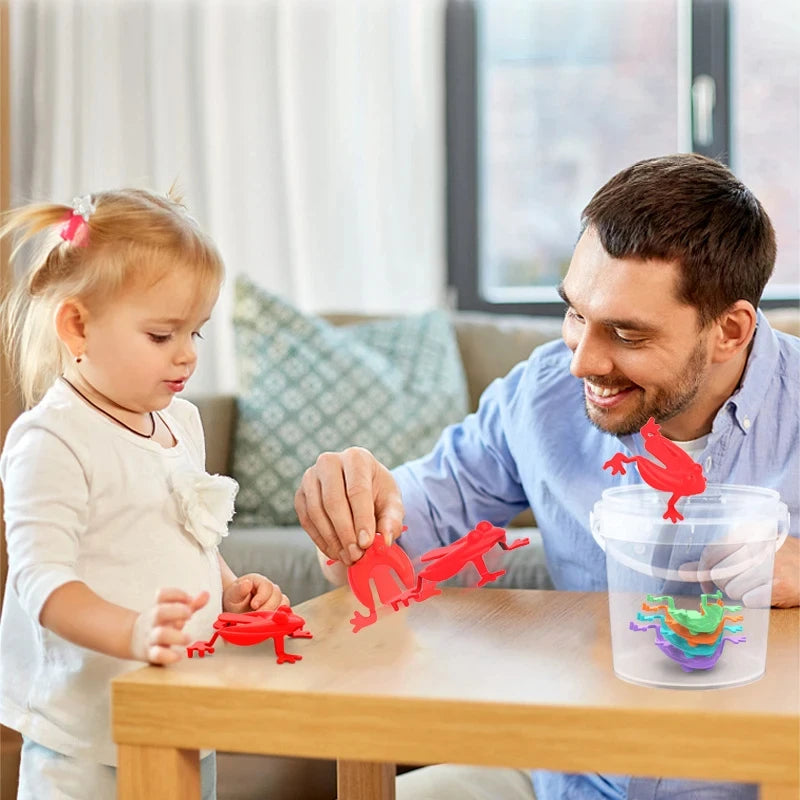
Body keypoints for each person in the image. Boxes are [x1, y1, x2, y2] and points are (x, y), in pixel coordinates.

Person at [294, 154, 800, 800]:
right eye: (575, 314)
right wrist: (352, 508)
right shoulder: (539, 397)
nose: (583, 360)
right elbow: (396, 543)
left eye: (626, 333)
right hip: (571, 778)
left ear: (729, 330)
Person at [0, 189, 289, 800]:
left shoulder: (181, 421)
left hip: (181, 711)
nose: (186, 355)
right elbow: (40, 583)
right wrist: (132, 632)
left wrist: (230, 587)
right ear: (77, 324)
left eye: (196, 333)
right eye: (162, 335)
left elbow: (189, 532)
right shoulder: (52, 438)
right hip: (86, 738)